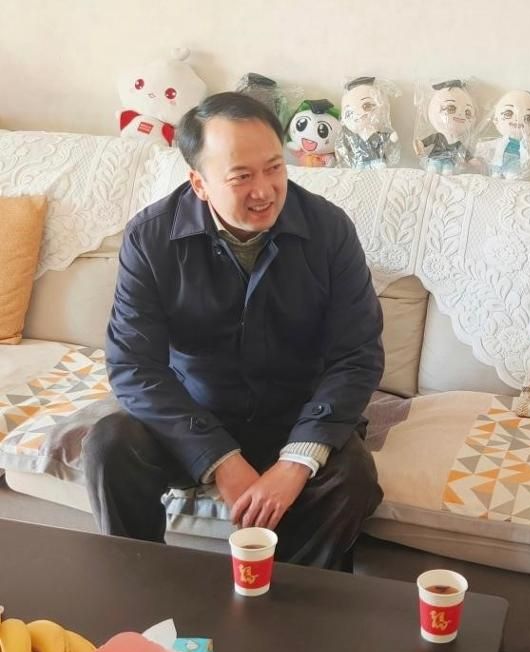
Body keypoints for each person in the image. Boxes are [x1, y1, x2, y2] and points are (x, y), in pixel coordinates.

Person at [84, 92, 384, 570]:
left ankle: (297, 601)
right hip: (195, 414)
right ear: (199, 183)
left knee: (353, 477)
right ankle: (141, 590)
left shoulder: (329, 230)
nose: (264, 191)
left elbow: (357, 354)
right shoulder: (151, 237)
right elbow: (134, 366)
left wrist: (297, 460)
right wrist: (218, 457)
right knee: (110, 444)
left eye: (274, 168)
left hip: (298, 414)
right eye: (241, 176)